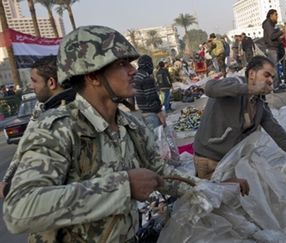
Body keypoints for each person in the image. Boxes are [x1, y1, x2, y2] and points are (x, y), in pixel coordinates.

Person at [2, 25, 206, 242]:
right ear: (92, 76)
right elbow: (19, 209)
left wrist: (210, 188)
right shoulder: (57, 129)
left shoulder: (130, 125)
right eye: (121, 64)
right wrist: (122, 186)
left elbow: (160, 173)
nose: (133, 70)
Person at [193, 55, 286, 180]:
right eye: (266, 75)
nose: (270, 80)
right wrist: (250, 89)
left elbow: (280, 136)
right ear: (252, 74)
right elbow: (210, 88)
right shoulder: (234, 83)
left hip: (230, 162)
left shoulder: (259, 104)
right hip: (208, 161)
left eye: (272, 77)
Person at [0, 55, 76, 200]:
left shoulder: (52, 122)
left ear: (51, 82)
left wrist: (8, 189)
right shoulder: (82, 106)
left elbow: (38, 187)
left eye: (34, 81)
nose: (31, 86)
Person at [133, 55, 166, 129]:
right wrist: (160, 114)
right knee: (158, 137)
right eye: (151, 64)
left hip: (142, 112)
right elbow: (151, 98)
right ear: (148, 65)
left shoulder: (136, 77)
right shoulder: (146, 78)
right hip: (152, 114)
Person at [262, 9, 285, 92]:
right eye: (276, 15)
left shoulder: (272, 24)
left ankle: (278, 84)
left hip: (275, 47)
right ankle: (275, 87)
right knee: (274, 68)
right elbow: (272, 36)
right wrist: (282, 32)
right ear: (271, 15)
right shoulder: (268, 24)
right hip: (272, 48)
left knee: (277, 67)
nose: (277, 16)